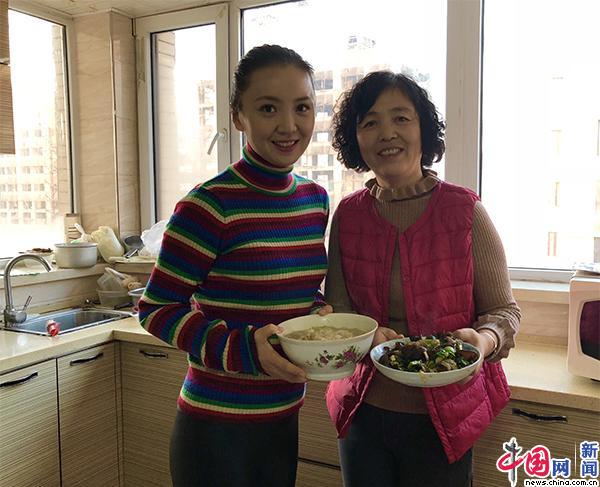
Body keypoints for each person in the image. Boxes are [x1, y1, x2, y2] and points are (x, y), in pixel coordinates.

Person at [138, 45, 330, 487]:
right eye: (268, 108)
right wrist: (244, 349)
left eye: (302, 107)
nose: (289, 125)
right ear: (238, 116)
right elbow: (155, 309)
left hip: (283, 418)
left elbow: (293, 291)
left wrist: (316, 313)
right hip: (215, 427)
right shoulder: (210, 205)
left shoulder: (314, 201)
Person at [324, 71, 521, 487]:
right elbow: (339, 309)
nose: (387, 133)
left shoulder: (465, 210)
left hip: (445, 417)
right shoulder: (348, 215)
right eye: (371, 122)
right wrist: (366, 335)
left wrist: (483, 341)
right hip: (363, 411)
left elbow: (504, 311)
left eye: (401, 118)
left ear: (423, 130)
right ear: (355, 138)